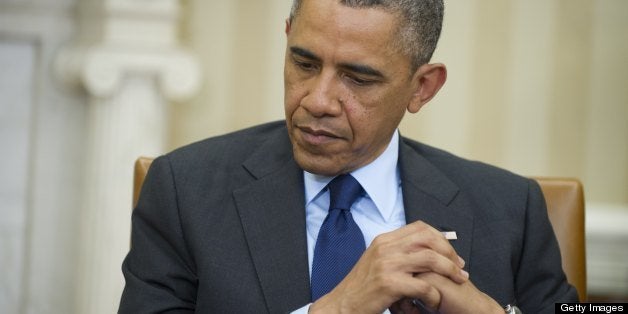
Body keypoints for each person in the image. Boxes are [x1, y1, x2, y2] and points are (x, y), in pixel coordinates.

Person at [119, 0, 578, 313]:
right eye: (304, 63)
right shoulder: (185, 190)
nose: (318, 100)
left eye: (357, 79)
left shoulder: (509, 206)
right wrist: (338, 307)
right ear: (287, 38)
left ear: (422, 87)